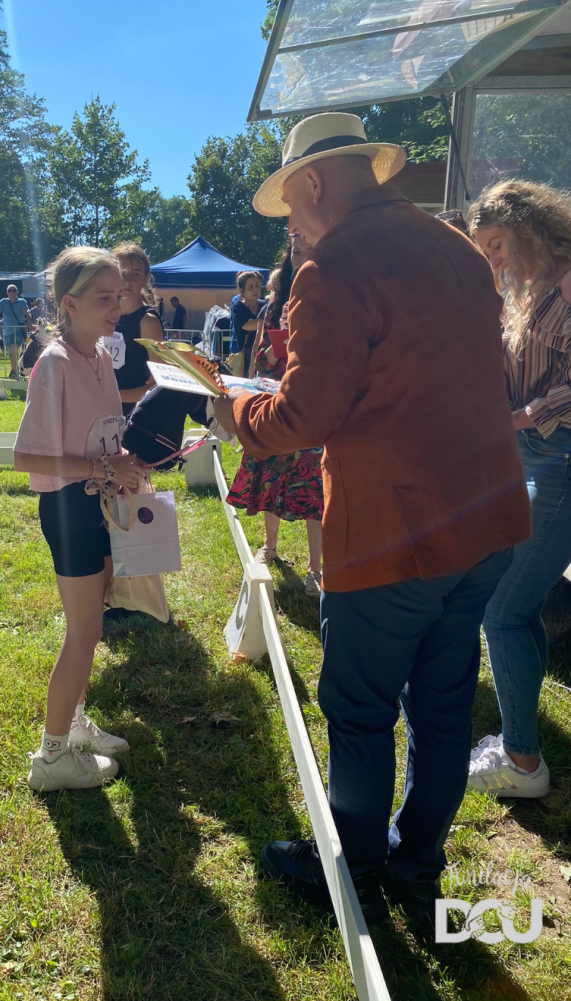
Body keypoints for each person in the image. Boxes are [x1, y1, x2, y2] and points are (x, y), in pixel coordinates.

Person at [213, 111, 531, 927]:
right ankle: (417, 861)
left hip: (394, 532)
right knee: (443, 706)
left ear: (313, 182)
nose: (291, 229)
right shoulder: (457, 249)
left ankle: (351, 867)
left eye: (289, 208)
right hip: (484, 519)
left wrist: (231, 412)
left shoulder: (334, 264)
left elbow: (303, 418)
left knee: (359, 714)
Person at [13, 246, 147, 791]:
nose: (117, 308)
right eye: (104, 298)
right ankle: (50, 758)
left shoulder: (99, 358)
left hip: (99, 503)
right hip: (70, 507)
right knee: (85, 631)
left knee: (91, 627)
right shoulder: (55, 363)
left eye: (120, 296)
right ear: (68, 303)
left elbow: (105, 436)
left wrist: (127, 462)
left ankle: (74, 724)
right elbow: (27, 457)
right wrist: (102, 467)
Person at [466, 181, 571, 800]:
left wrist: (518, 417)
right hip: (538, 459)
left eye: (498, 244)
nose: (494, 259)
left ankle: (524, 764)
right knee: (518, 607)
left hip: (559, 461)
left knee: (501, 610)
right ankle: (518, 743)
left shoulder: (567, 284)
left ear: (529, 227)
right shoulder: (531, 290)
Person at [225, 246, 323, 596]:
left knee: (312, 486)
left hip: (313, 406)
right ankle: (270, 545)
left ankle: (315, 568)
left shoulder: (328, 302)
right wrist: (270, 353)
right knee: (271, 473)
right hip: (275, 401)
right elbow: (260, 357)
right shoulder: (271, 309)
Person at [106, 243, 165, 416]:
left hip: (138, 416)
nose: (128, 280)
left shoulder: (148, 321)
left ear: (145, 279)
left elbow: (160, 383)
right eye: (122, 273)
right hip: (106, 412)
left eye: (136, 274)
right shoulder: (106, 315)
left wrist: (113, 396)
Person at [0, 284, 31, 380]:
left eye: (14, 290)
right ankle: (14, 372)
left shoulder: (22, 302)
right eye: (10, 291)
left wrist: (29, 323)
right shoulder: (3, 302)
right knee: (12, 354)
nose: (12, 292)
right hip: (7, 332)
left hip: (19, 331)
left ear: (17, 292)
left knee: (14, 349)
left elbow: (27, 313)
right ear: (7, 293)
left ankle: (15, 373)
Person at [229, 272, 265, 376]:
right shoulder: (238, 306)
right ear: (242, 290)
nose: (255, 290)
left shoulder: (265, 305)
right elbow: (246, 325)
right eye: (250, 287)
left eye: (257, 285)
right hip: (246, 355)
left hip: (263, 351)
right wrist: (265, 321)